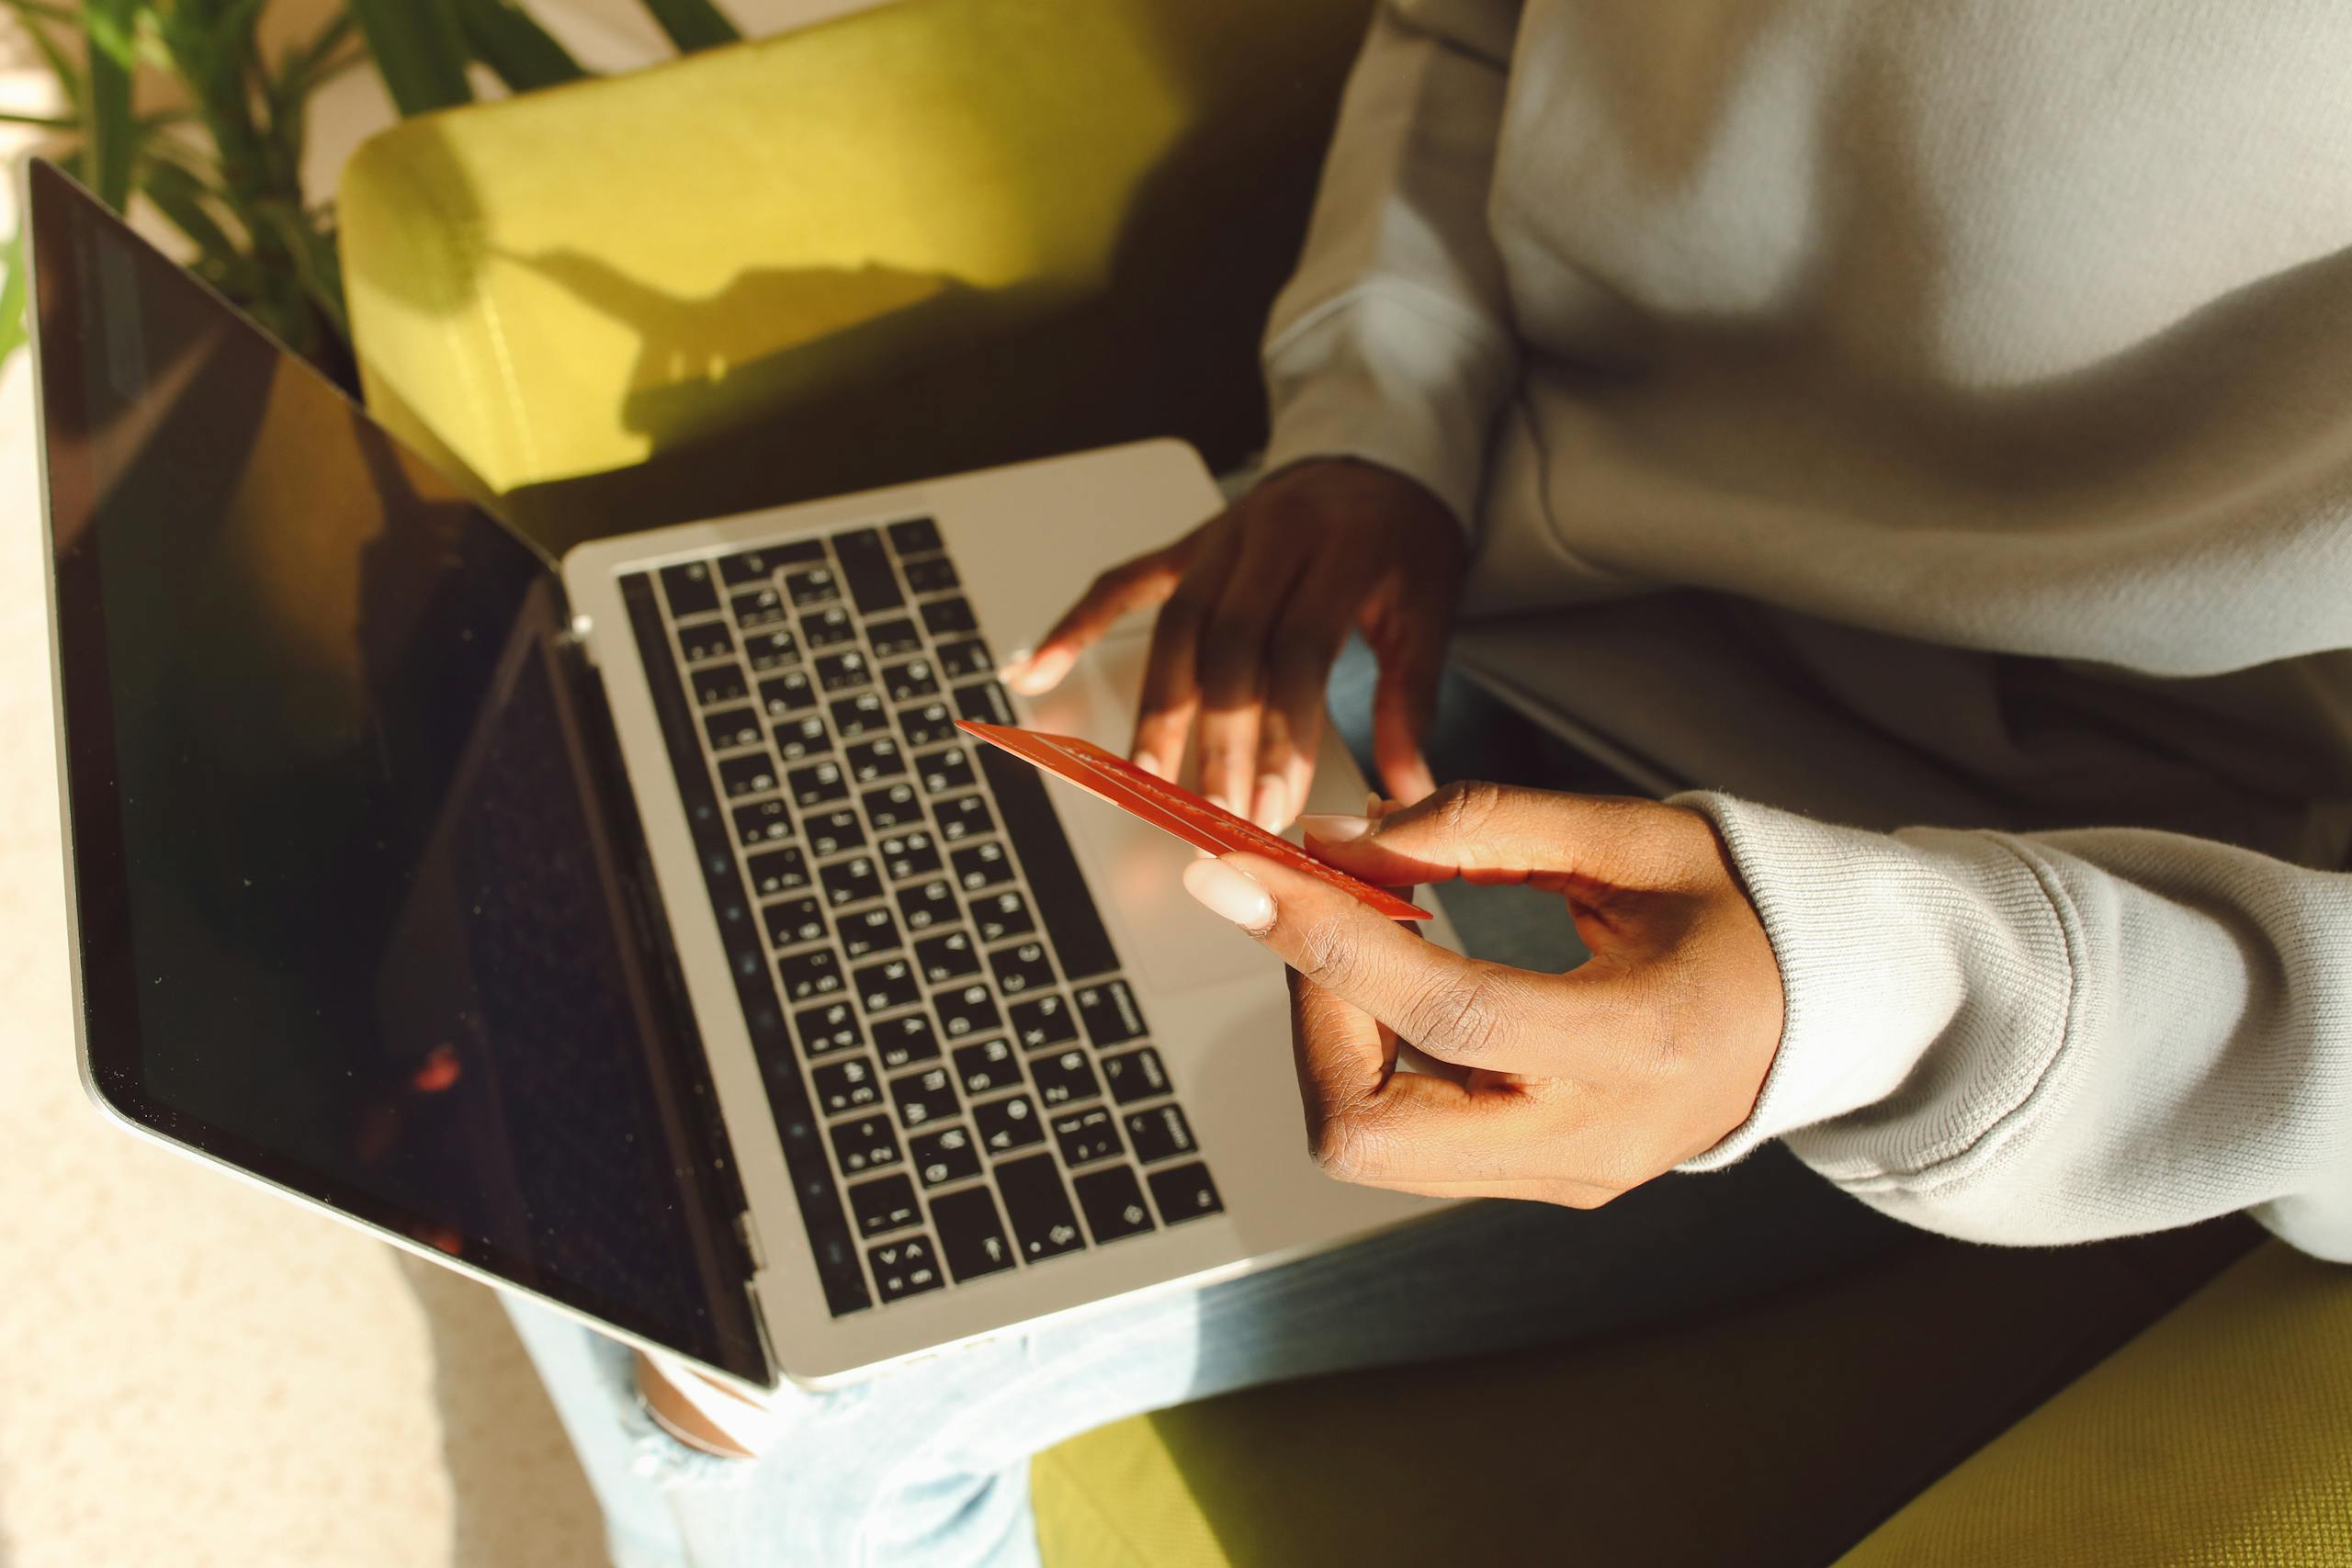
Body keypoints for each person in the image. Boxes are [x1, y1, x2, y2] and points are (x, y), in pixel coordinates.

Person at [510, 3, 2352, 1562]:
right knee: (601, 864)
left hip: (1969, 947)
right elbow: (1464, 27)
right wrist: (1377, 429)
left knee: (742, 1352)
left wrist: (1875, 993)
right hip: (1465, 590)